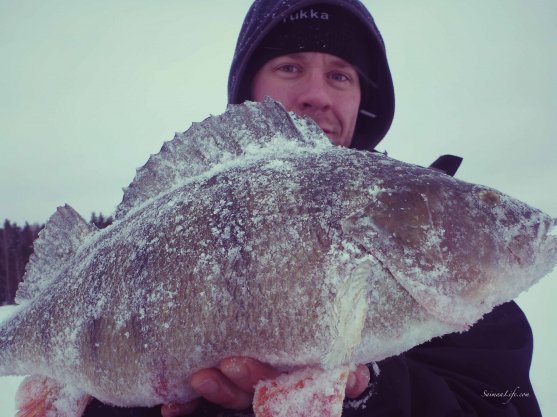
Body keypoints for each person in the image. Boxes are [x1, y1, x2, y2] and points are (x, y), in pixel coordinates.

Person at [83, 1, 542, 416]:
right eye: (289, 66)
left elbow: (505, 405)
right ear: (249, 89)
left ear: (363, 101)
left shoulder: (448, 251)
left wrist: (370, 398)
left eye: (340, 75)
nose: (316, 95)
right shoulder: (158, 231)